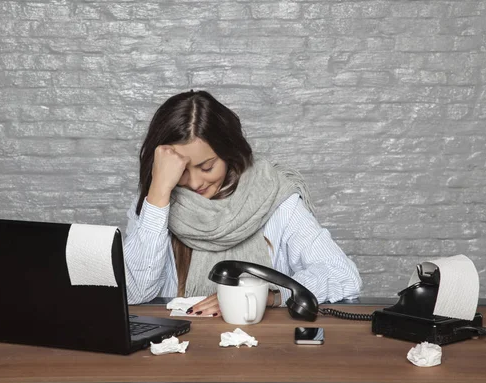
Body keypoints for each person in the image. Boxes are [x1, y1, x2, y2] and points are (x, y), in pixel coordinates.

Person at [123, 90, 362, 317]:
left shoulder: (273, 195)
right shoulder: (155, 203)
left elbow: (343, 275)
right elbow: (135, 293)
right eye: (181, 170)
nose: (195, 183)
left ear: (228, 153)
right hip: (178, 348)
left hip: (264, 348)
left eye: (207, 167)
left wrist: (265, 295)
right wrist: (158, 191)